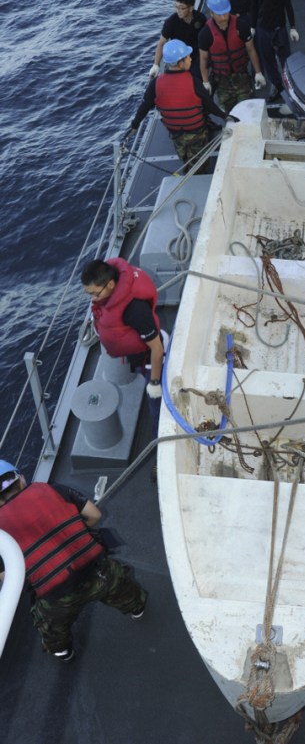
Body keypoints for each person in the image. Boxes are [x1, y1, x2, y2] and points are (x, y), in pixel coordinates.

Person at [0, 460, 147, 662]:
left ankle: (63, 651)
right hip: (98, 572)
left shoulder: (1, 534)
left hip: (56, 597)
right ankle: (137, 609)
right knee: (123, 587)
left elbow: (9, 574)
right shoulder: (51, 489)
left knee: (52, 627)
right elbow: (94, 515)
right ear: (21, 479)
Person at [81, 257, 164, 428]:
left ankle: (158, 433)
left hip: (149, 359)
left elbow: (157, 348)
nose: (93, 299)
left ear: (111, 284)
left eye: (96, 293)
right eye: (89, 294)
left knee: (156, 408)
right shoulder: (110, 295)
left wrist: (155, 384)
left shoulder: (135, 310)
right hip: (136, 355)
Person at [129, 39, 230, 170]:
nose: (191, 60)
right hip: (197, 133)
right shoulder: (193, 81)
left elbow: (145, 105)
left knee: (185, 159)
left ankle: (189, 170)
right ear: (180, 63)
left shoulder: (155, 84)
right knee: (199, 164)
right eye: (187, 57)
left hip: (176, 134)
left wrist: (135, 124)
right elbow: (209, 105)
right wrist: (224, 116)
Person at [199, 0, 266, 112]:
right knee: (229, 113)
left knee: (248, 109)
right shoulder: (205, 34)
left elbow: (250, 49)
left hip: (242, 77)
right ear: (212, 13)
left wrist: (258, 72)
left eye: (226, 13)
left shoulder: (241, 25)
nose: (224, 17)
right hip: (221, 81)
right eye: (219, 14)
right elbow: (203, 59)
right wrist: (205, 81)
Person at [249, 0, 299, 103]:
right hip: (263, 30)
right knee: (268, 61)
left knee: (285, 60)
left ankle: (290, 86)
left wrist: (292, 27)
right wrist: (252, 27)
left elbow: (288, 6)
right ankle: (277, 86)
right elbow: (253, 7)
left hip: (279, 30)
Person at [148, 0, 206, 79]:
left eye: (182, 8)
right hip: (179, 59)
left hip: (196, 56)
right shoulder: (171, 23)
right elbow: (161, 43)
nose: (178, 11)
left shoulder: (201, 18)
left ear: (190, 8)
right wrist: (156, 65)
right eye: (176, 7)